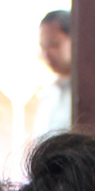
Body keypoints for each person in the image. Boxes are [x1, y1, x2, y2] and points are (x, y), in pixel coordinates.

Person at [31, 9, 72, 137]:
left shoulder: (89, 91)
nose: (47, 54)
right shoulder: (48, 93)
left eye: (54, 44)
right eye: (43, 47)